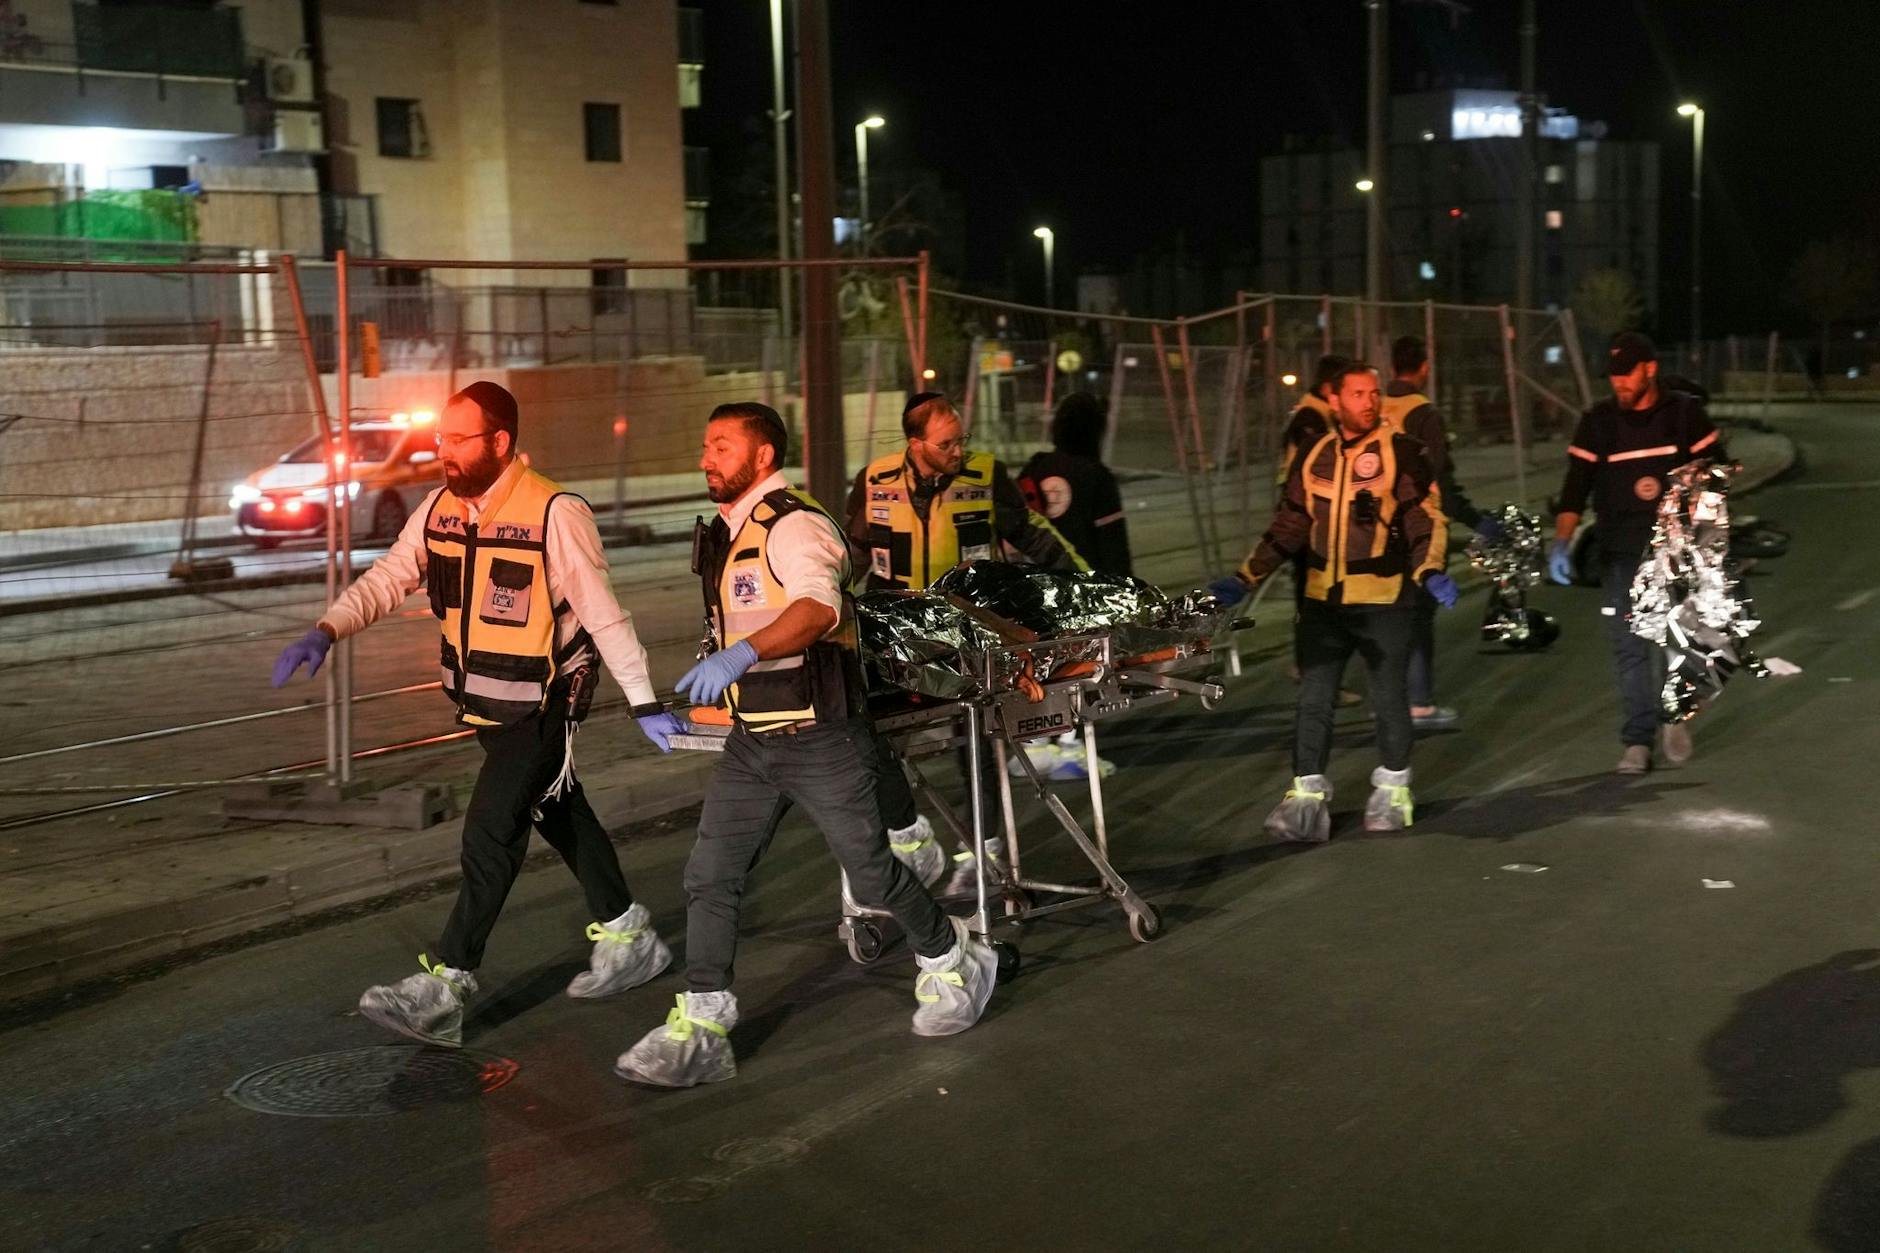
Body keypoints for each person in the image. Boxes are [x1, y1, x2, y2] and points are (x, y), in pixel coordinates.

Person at [271, 381, 677, 1047]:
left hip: (543, 704)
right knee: (558, 809)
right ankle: (630, 933)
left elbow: (605, 615)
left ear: (500, 442)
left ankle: (446, 985)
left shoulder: (555, 512)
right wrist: (328, 627)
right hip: (489, 706)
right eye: (441, 438)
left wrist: (644, 701)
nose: (443, 451)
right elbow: (391, 575)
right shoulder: (440, 509)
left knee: (490, 832)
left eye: (458, 439)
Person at [615, 403, 997, 1088]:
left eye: (722, 446)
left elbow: (818, 608)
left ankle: (955, 961)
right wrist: (701, 696)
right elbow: (740, 618)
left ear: (762, 457)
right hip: (751, 742)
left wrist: (740, 654)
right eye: (705, 445)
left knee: (874, 873)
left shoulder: (794, 526)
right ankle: (704, 1022)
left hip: (821, 734)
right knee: (710, 874)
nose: (707, 457)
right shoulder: (729, 533)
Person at [845, 391, 1089, 893]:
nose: (959, 451)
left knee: (974, 748)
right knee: (872, 739)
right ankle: (912, 840)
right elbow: (850, 554)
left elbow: (1033, 535)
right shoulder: (874, 481)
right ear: (916, 444)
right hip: (895, 634)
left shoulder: (986, 475)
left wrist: (1085, 586)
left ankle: (984, 853)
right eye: (947, 443)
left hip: (970, 633)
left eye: (962, 440)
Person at [1209, 362, 1455, 841]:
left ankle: (1393, 792)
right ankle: (1306, 799)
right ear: (1335, 400)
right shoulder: (1314, 453)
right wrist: (1245, 576)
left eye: (1374, 392)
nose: (1370, 401)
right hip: (1323, 601)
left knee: (1388, 699)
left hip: (1385, 601)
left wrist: (1429, 570)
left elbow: (1425, 516)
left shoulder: (1402, 452)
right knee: (1314, 699)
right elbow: (1291, 524)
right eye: (1358, 393)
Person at [1548, 332, 1723, 774]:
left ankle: (1676, 719)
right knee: (1629, 647)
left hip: (1678, 548)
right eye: (1613, 376)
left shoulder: (1685, 416)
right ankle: (1637, 741)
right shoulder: (1598, 422)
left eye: (1627, 374)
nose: (1619, 384)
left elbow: (1716, 478)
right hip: (1620, 554)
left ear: (1649, 369)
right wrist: (1562, 541)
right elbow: (1575, 487)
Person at [1381, 336, 1504, 731]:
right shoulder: (1424, 414)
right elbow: (1439, 483)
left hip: (1378, 529)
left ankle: (1387, 699)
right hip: (1419, 530)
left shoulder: (1375, 407)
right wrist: (1475, 519)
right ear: (1424, 367)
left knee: (1387, 618)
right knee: (1418, 618)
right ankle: (1418, 704)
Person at [1018, 391, 1133, 576]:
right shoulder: (1097, 476)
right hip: (1086, 586)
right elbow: (1114, 548)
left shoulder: (1034, 469)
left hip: (1039, 584)